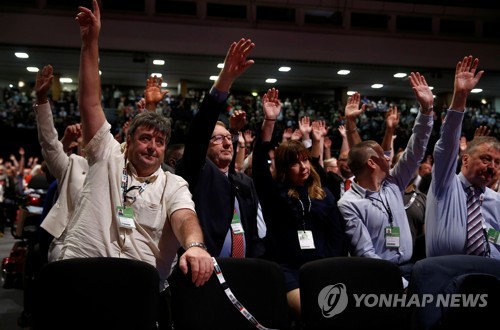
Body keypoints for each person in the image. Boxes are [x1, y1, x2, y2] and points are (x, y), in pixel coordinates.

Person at [58, 0, 213, 288]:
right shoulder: (106, 156)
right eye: (145, 138)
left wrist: (194, 245)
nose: (153, 146)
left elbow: (184, 217)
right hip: (82, 274)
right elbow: (90, 102)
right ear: (127, 142)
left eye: (160, 141)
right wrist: (90, 42)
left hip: (138, 289)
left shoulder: (172, 183)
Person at [252, 88, 347, 319]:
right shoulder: (274, 193)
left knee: (338, 315)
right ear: (284, 168)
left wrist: (333, 263)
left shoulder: (322, 193)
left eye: (305, 161)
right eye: (295, 163)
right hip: (288, 268)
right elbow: (259, 164)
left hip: (324, 266)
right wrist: (269, 121)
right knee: (313, 314)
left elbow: (337, 233)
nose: (304, 167)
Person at [337, 72, 434, 285]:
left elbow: (416, 148)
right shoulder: (349, 203)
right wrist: (400, 285)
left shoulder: (393, 183)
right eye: (383, 154)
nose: (388, 157)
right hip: (378, 277)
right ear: (372, 163)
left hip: (411, 268)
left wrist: (426, 111)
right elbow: (364, 253)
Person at [176, 38, 265, 258]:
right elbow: (198, 134)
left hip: (245, 271)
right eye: (217, 139)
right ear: (204, 148)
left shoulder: (244, 182)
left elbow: (254, 232)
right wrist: (225, 80)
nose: (227, 143)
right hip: (207, 269)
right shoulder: (197, 172)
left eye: (228, 138)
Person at [425, 55, 500, 259]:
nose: (492, 167)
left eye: (497, 162)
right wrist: (460, 97)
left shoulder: (496, 201)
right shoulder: (446, 185)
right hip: (446, 279)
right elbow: (446, 146)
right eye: (486, 159)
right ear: (465, 159)